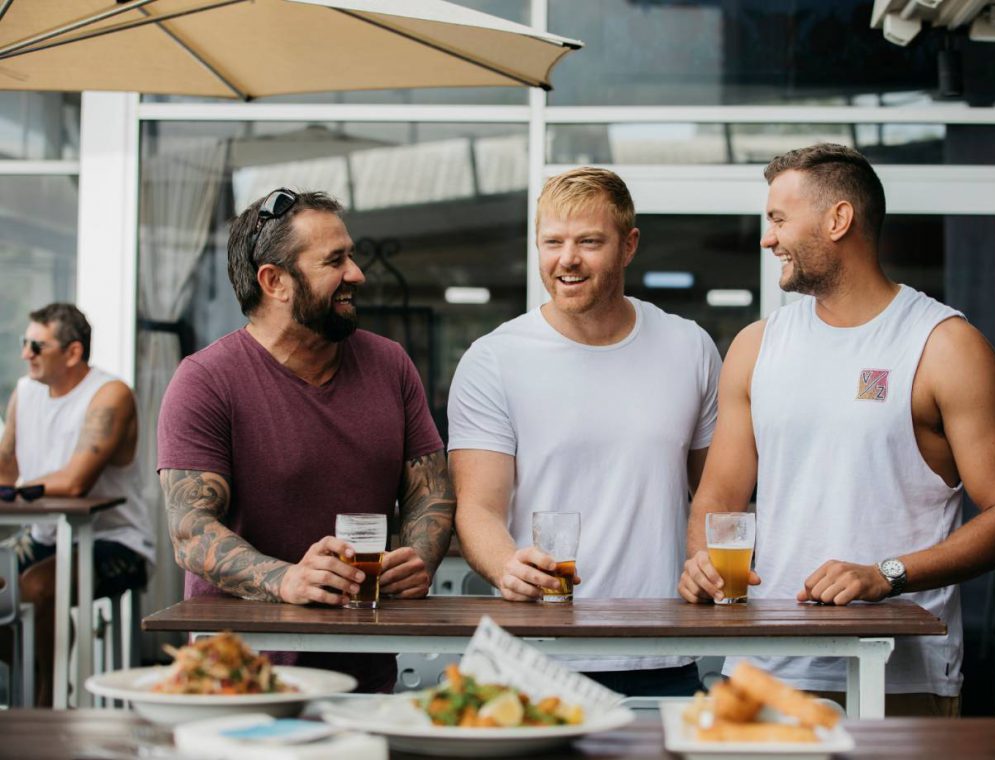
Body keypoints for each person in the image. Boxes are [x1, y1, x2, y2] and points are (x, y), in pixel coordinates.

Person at [677, 144, 995, 716]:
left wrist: (885, 576)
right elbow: (719, 498)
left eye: (778, 219)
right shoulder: (755, 346)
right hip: (764, 670)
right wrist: (701, 557)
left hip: (901, 675)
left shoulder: (944, 346)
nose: (767, 239)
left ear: (838, 219)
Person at [156, 189, 455, 693]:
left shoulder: (391, 365)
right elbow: (190, 530)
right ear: (275, 282)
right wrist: (285, 580)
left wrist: (418, 557)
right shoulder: (204, 380)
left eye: (351, 256)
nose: (356, 273)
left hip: (364, 669)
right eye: (335, 261)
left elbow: (430, 491)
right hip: (239, 676)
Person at [448, 167, 721, 696]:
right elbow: (477, 508)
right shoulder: (493, 360)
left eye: (589, 242)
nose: (566, 259)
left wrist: (709, 564)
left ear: (629, 245)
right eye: (552, 242)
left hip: (660, 651)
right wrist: (507, 566)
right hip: (532, 653)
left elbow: (714, 497)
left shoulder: (690, 348)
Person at [0, 303, 154, 705]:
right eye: (24, 343)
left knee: (36, 587)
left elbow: (74, 482)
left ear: (72, 352)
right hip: (46, 535)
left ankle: (48, 702)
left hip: (117, 540)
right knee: (5, 588)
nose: (26, 354)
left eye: (37, 345)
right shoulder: (24, 392)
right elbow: (5, 470)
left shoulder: (110, 394)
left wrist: (17, 489)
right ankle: (28, 684)